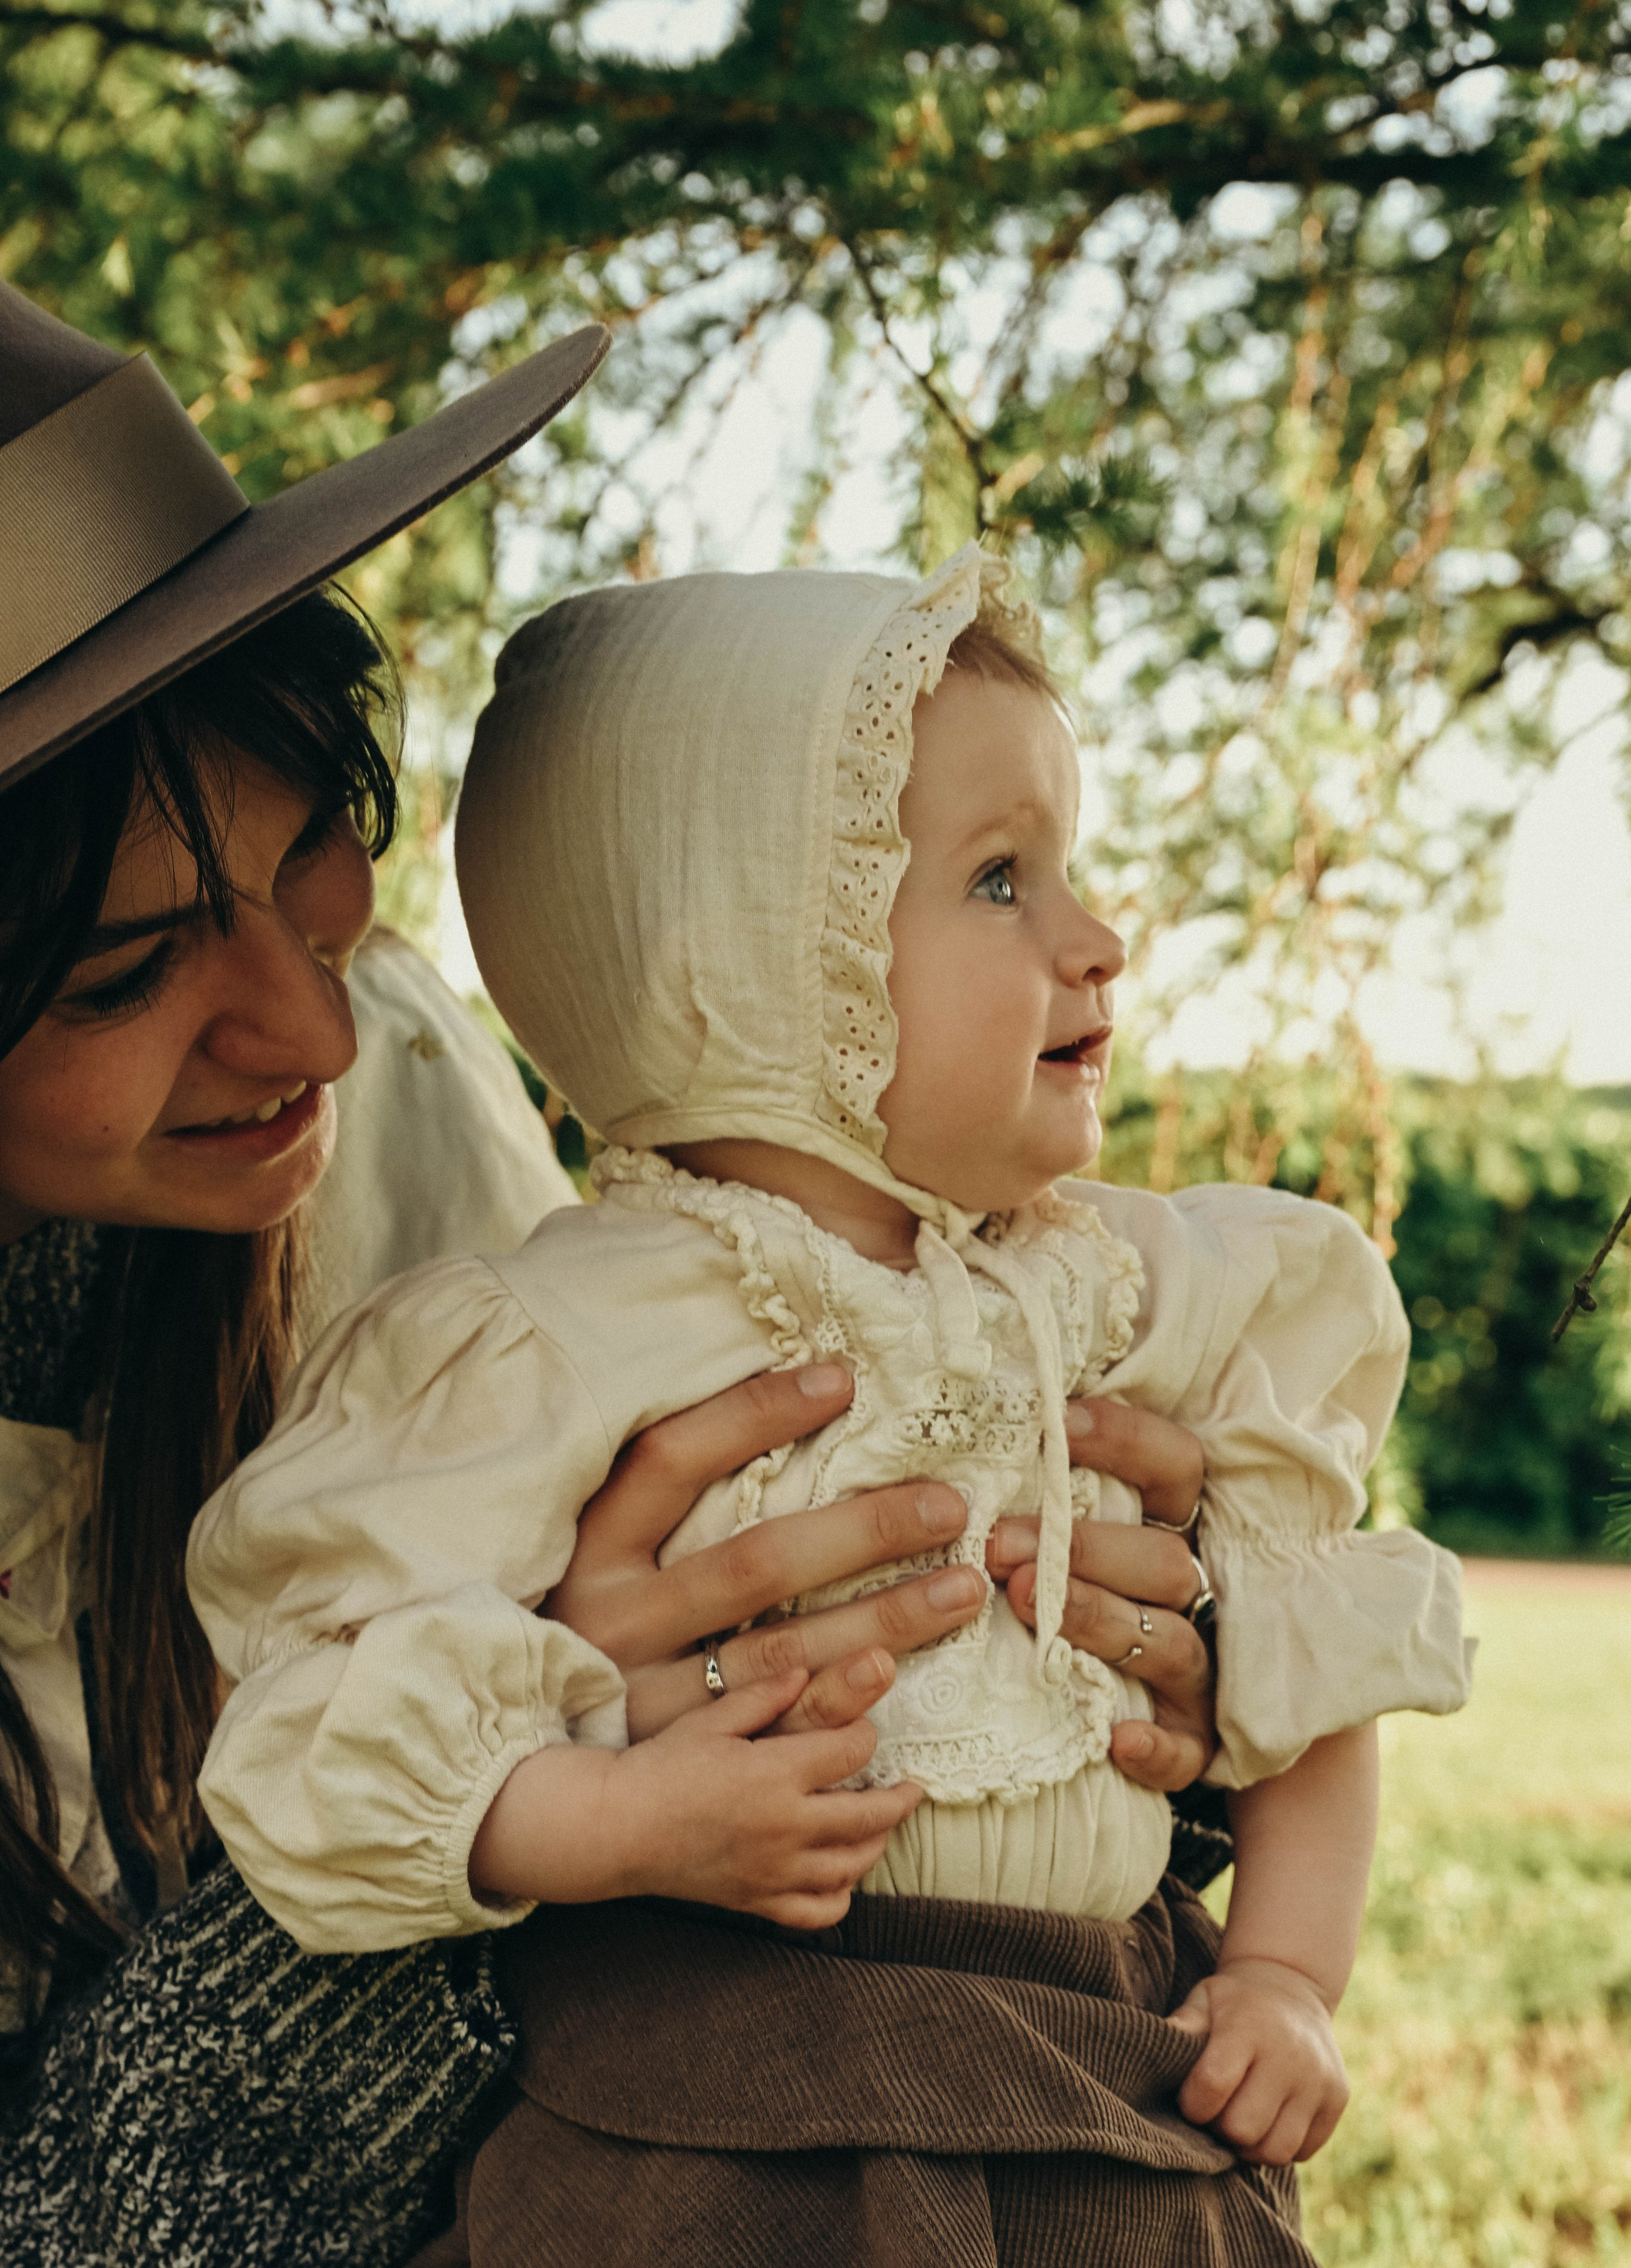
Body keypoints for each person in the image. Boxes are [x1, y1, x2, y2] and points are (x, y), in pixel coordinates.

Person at [0, 287, 1217, 2266]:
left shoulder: (392, 1107)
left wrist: (1062, 1648)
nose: (310, 1032)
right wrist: (551, 1797)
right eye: (128, 973)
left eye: (321, 852)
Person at [189, 545, 1472, 2264]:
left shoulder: (1152, 1298)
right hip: (706, 2122)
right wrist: (612, 1817)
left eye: (1064, 868)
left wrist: (1288, 1976)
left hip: (1112, 2096)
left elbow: (1313, 1658)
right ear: (748, 962)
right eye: (1001, 881)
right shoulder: (556, 1336)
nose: (1099, 940)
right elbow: (314, 1714)